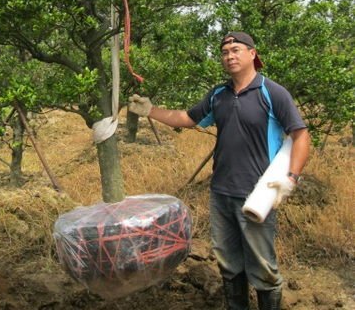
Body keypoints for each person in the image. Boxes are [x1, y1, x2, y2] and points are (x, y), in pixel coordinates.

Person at [128, 31, 310, 310]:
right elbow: (188, 118)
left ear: (253, 54)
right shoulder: (218, 95)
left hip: (256, 194)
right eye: (225, 52)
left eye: (236, 49)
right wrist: (151, 110)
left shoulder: (271, 92)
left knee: (263, 267)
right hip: (221, 193)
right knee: (229, 264)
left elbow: (300, 135)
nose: (230, 56)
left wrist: (291, 178)